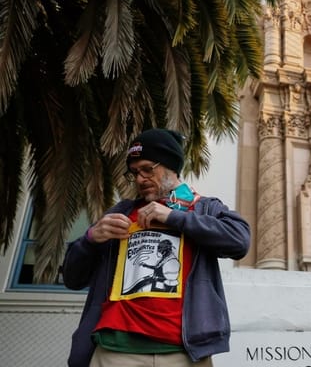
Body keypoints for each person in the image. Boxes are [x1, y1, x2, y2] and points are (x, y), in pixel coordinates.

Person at [62, 128, 251, 367]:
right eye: (134, 172)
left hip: (184, 352)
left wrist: (174, 217)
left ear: (171, 166)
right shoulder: (120, 213)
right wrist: (89, 239)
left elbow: (240, 241)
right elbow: (72, 278)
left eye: (148, 169)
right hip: (115, 350)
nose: (140, 178)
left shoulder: (203, 208)